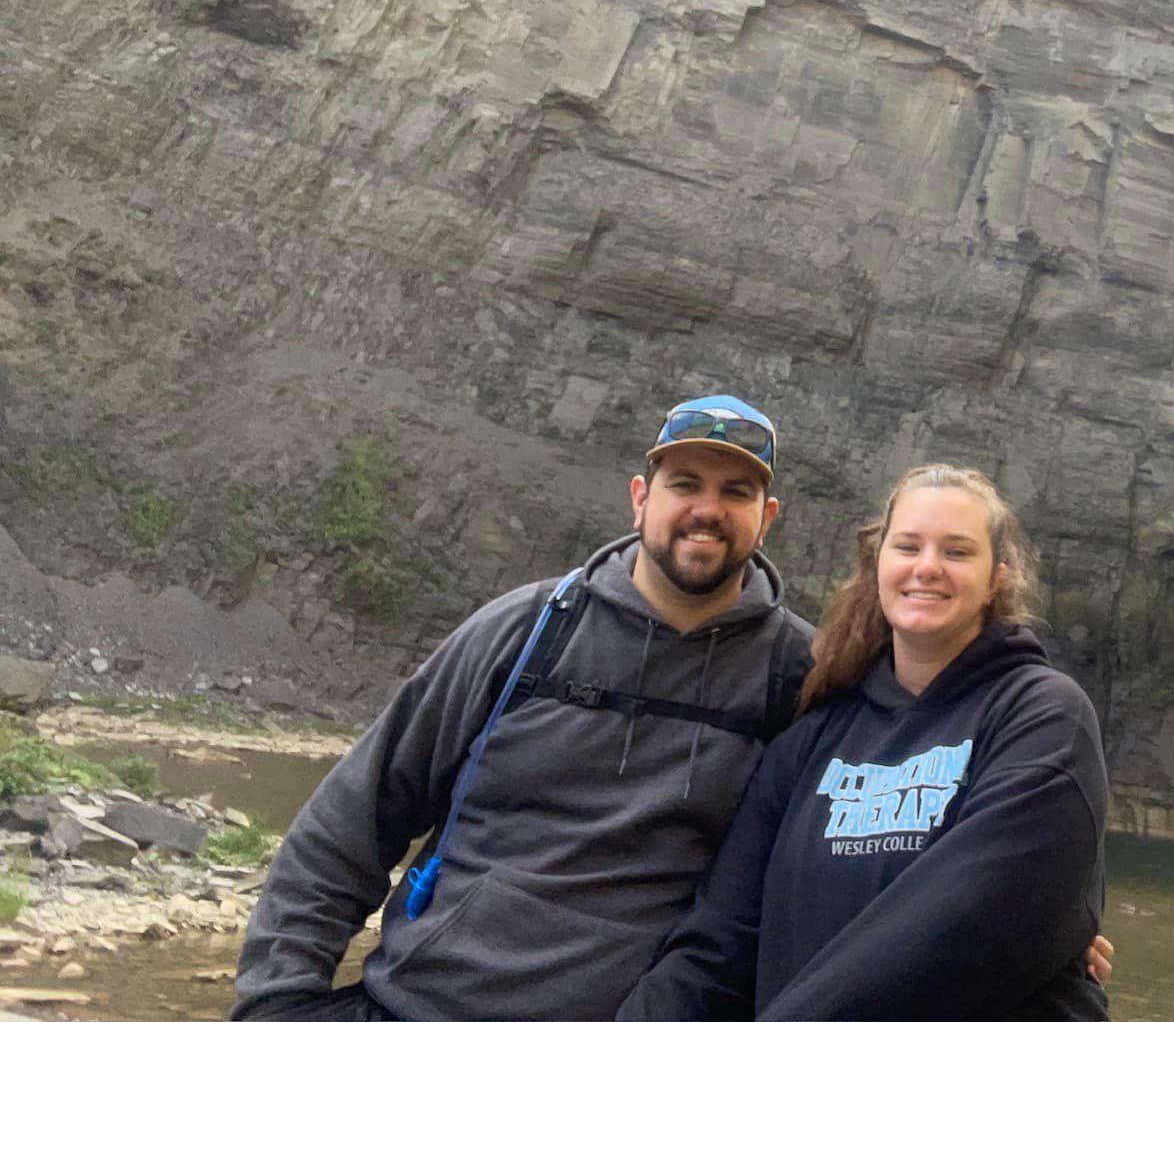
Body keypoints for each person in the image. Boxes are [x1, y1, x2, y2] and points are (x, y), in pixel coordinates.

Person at [231, 395, 815, 1021]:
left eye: (735, 492)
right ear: (641, 498)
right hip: (420, 1009)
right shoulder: (528, 631)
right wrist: (277, 1002)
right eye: (685, 484)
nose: (707, 509)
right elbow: (350, 824)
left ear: (766, 518)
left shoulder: (798, 673)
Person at [619, 463, 1110, 1021]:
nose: (927, 567)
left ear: (996, 577)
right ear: (879, 563)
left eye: (956, 551)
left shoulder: (1043, 717)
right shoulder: (811, 738)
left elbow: (972, 922)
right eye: (908, 546)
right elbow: (718, 943)